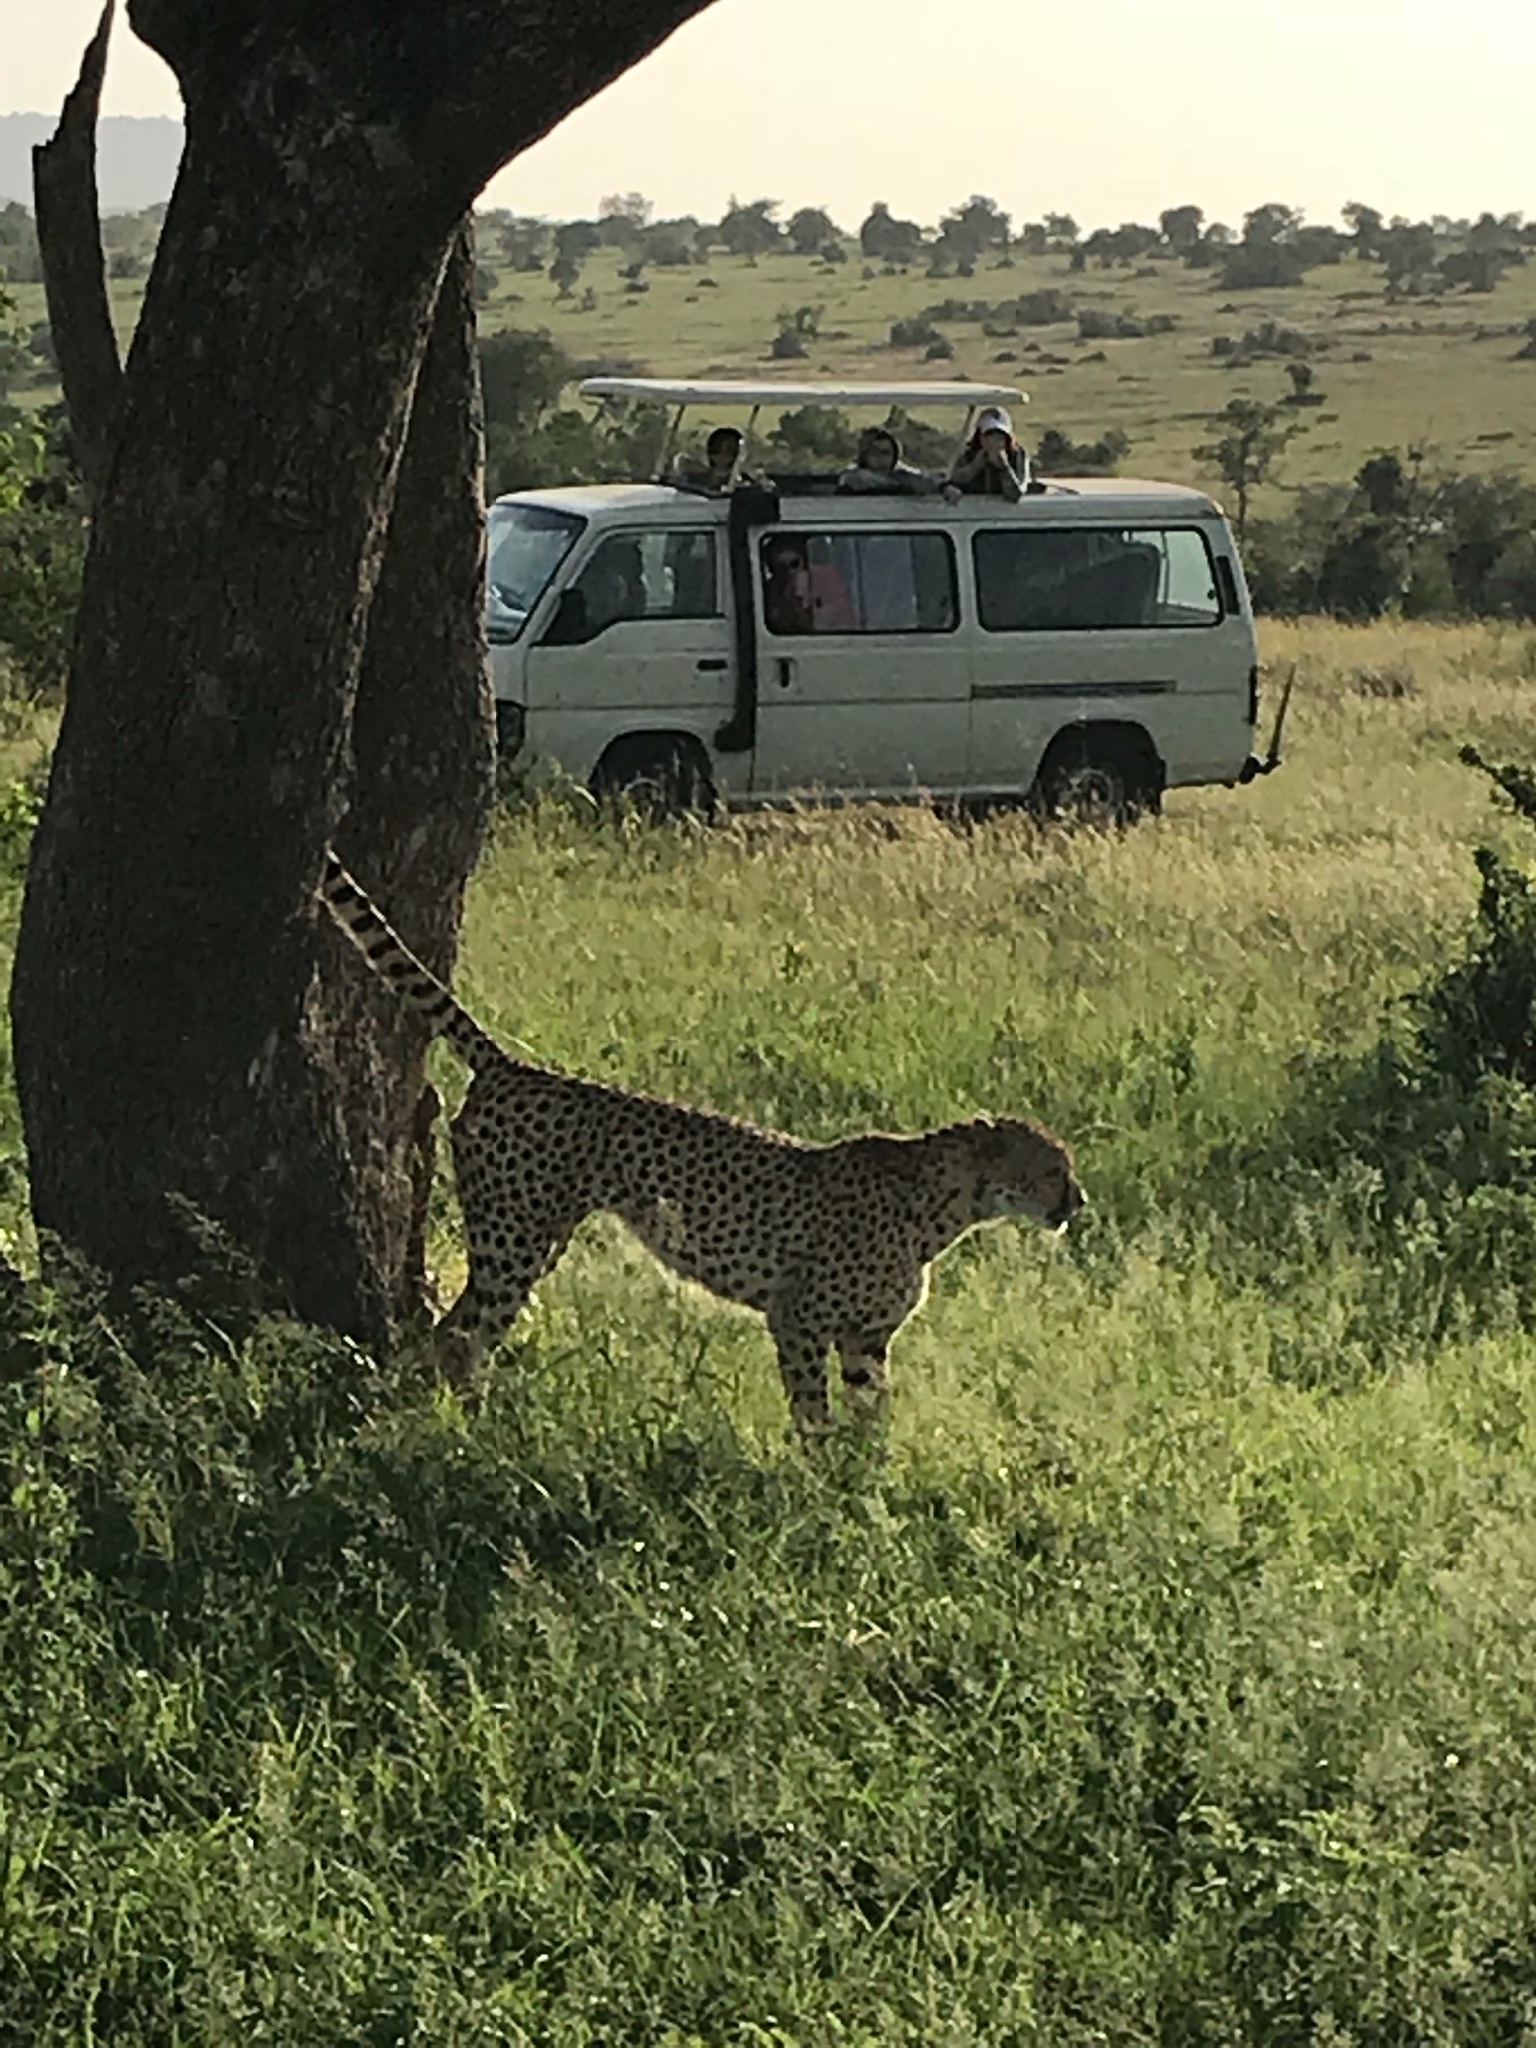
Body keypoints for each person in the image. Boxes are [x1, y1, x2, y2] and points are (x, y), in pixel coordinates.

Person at [762, 535, 857, 635]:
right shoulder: (770, 590)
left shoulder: (826, 576)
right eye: (782, 568)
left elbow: (843, 616)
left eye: (795, 564)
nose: (790, 572)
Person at [945, 405, 1029, 503]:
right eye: (988, 435)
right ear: (979, 436)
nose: (993, 442)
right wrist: (974, 467)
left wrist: (1004, 468)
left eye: (1000, 437)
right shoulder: (968, 455)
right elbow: (952, 481)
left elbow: (1016, 494)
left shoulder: (1016, 456)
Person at [837, 425, 937, 494]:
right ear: (864, 455)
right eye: (874, 453)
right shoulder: (852, 477)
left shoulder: (900, 476)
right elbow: (865, 480)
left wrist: (944, 487)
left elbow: (924, 481)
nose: (880, 458)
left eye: (885, 453)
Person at [672, 424, 749, 492]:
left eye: (730, 451)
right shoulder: (693, 477)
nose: (722, 456)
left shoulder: (741, 482)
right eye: (717, 449)